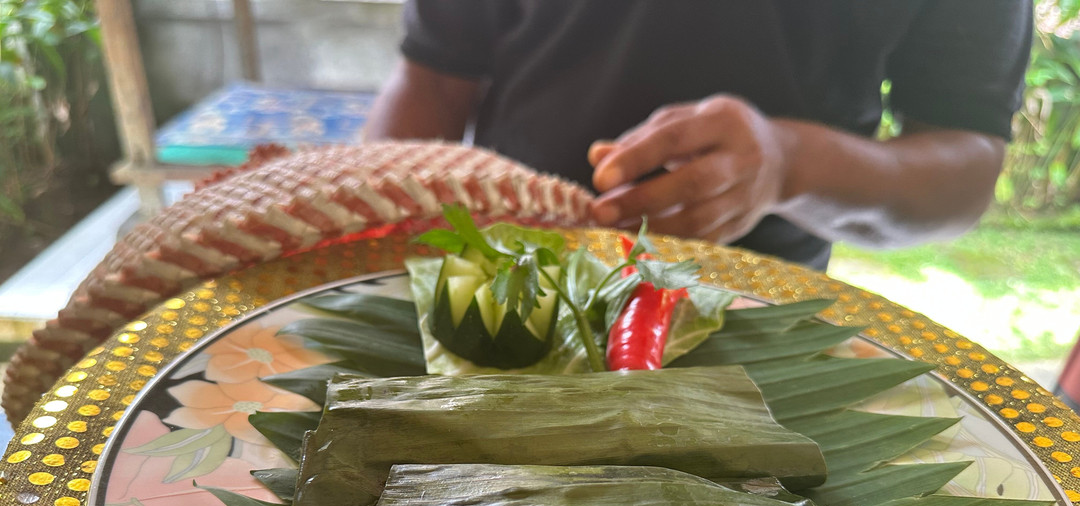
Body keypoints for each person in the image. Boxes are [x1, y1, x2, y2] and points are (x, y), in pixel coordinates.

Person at [363, 1, 1033, 271]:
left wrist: (789, 164)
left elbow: (964, 164)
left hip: (753, 312)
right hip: (502, 272)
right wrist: (374, 250)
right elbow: (433, 76)